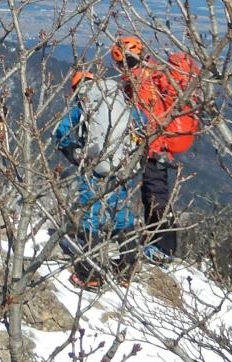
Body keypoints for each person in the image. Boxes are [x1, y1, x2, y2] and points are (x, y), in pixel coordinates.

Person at [54, 70, 142, 288]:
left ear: (78, 87)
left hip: (95, 166)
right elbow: (142, 122)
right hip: (124, 166)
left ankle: (90, 275)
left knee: (90, 216)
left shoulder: (84, 102)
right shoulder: (120, 99)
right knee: (122, 216)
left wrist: (73, 152)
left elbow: (60, 131)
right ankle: (126, 271)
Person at [110, 34, 180, 263]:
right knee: (153, 193)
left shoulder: (141, 80)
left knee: (155, 194)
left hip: (153, 147)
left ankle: (164, 249)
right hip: (157, 146)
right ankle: (158, 244)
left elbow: (145, 116)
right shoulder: (150, 74)